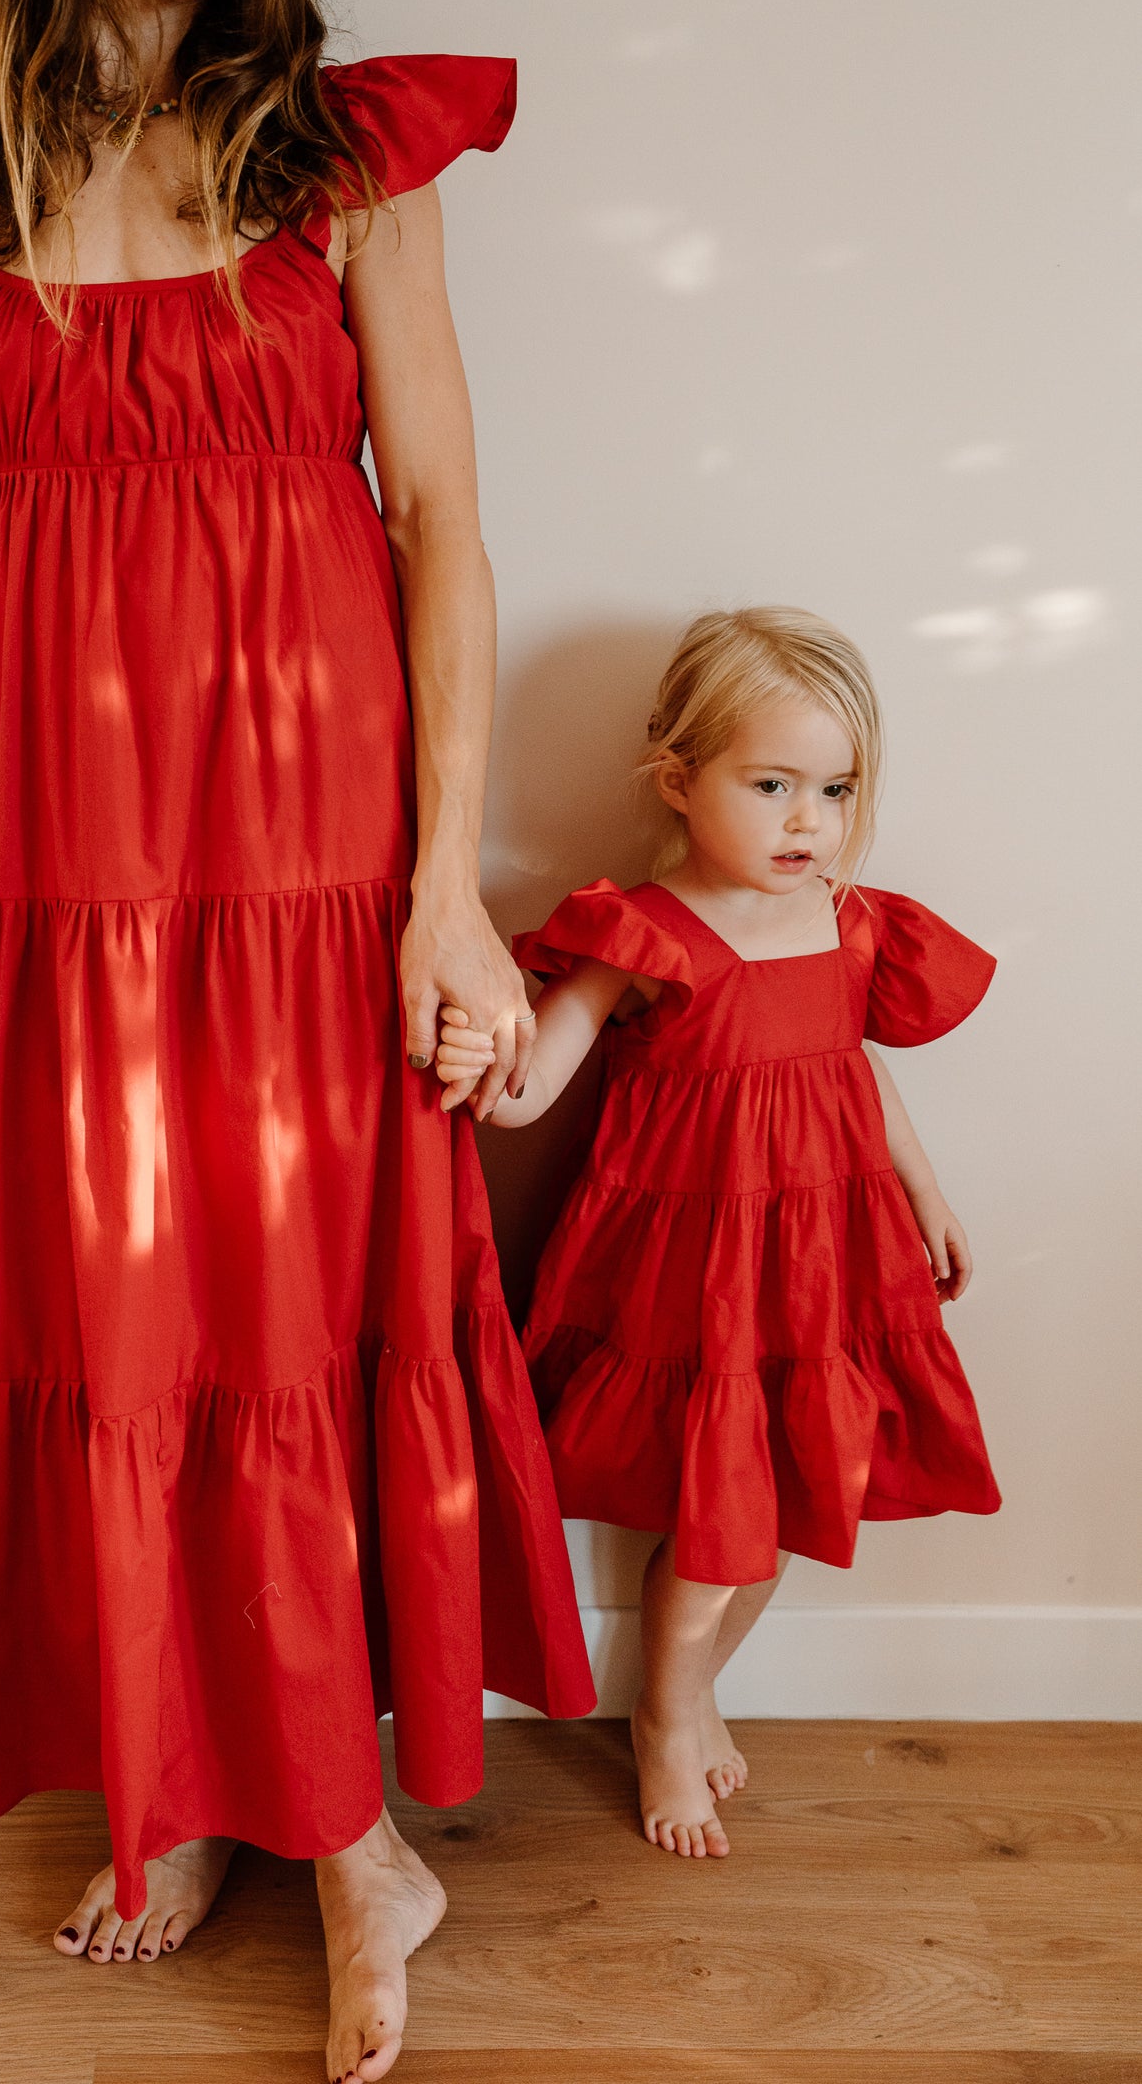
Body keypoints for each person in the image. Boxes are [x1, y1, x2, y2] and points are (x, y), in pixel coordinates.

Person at [0, 0, 593, 2076]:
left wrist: (444, 894)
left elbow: (435, 517)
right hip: (57, 857)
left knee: (306, 1300)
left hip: (316, 853)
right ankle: (200, 1783)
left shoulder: (340, 154)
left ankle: (353, 1846)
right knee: (127, 1310)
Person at [435, 605, 1000, 1861]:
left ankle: (692, 1684)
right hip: (693, 1271)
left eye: (834, 787)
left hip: (823, 1260)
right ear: (680, 781)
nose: (809, 818)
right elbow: (528, 1095)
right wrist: (481, 1054)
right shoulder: (638, 933)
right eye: (772, 783)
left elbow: (857, 1072)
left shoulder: (850, 923)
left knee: (796, 1488)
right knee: (715, 1505)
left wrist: (923, 1191)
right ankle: (666, 1704)